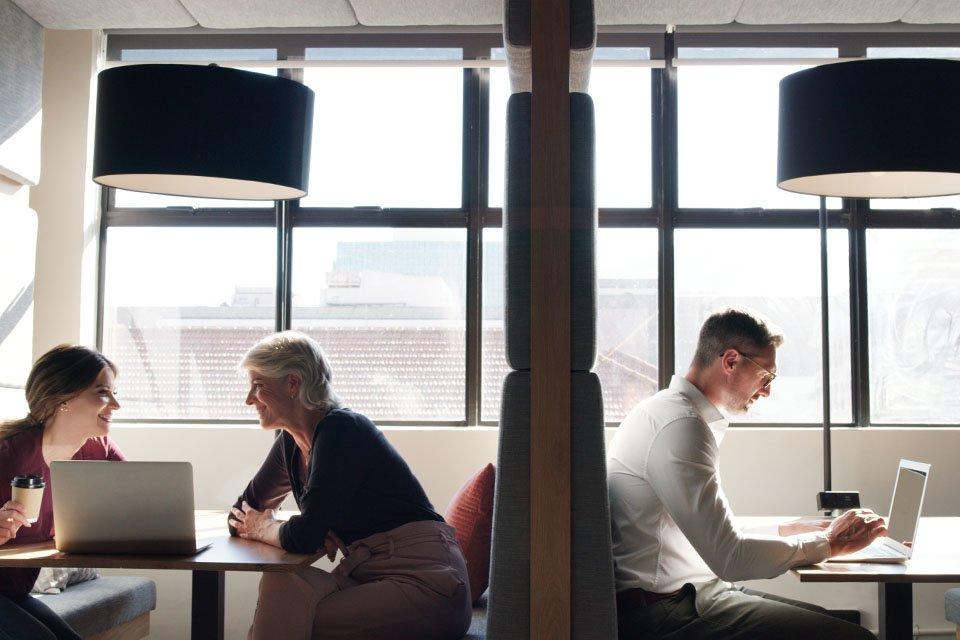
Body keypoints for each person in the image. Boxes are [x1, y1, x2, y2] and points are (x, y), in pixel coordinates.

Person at [608, 308, 886, 640]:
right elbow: (731, 558)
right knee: (854, 638)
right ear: (730, 361)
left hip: (690, 594)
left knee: (830, 621)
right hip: (665, 612)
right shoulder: (680, 428)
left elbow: (712, 531)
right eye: (766, 376)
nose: (767, 390)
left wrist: (790, 528)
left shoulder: (671, 414)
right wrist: (829, 542)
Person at [228, 331, 471, 640]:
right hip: (368, 577)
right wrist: (300, 528)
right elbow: (240, 516)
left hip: (426, 583)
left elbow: (302, 536)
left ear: (292, 384)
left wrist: (268, 529)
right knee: (281, 582)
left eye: (258, 386)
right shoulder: (289, 444)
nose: (249, 398)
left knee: (290, 618)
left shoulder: (341, 429)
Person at [0, 345, 124, 640]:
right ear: (64, 398)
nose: (116, 405)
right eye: (103, 393)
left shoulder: (98, 449)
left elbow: (138, 500)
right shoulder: (8, 454)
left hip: (12, 591)